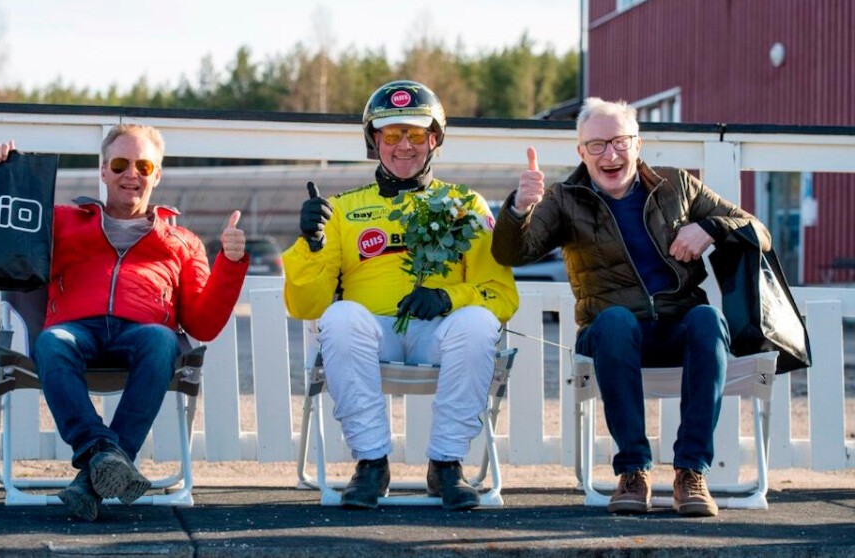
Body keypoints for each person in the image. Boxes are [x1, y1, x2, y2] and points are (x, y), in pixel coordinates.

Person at [491, 98, 770, 517]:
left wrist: (709, 227)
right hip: (610, 335)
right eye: (597, 144)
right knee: (617, 320)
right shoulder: (566, 199)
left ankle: (691, 473)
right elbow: (512, 252)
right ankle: (633, 472)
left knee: (708, 318)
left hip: (678, 329)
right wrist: (519, 208)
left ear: (638, 145)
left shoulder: (678, 186)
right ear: (580, 152)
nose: (610, 154)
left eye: (619, 141)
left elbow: (758, 231)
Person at [0, 125, 249, 521]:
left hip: (142, 335)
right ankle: (104, 457)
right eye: (121, 164)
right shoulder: (62, 223)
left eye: (143, 165)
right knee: (50, 341)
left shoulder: (183, 243)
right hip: (76, 331)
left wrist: (230, 264)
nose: (132, 174)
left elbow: (203, 325)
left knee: (162, 341)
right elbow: (1, 234)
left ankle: (93, 474)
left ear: (157, 175)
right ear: (103, 171)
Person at [283, 80, 518, 511]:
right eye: (392, 134)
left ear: (434, 139)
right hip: (373, 338)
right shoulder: (342, 209)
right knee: (337, 318)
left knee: (480, 321)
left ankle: (446, 465)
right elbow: (305, 306)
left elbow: (502, 296)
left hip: (439, 336)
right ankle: (371, 464)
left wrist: (449, 298)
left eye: (415, 133)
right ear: (375, 141)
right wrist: (310, 245)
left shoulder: (466, 203)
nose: (404, 145)